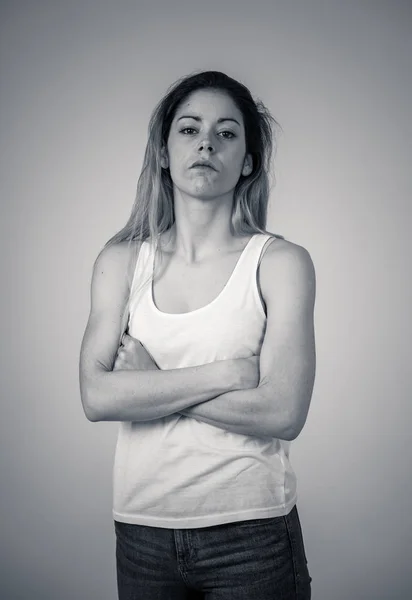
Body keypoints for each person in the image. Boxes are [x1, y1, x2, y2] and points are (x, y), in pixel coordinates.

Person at [79, 70, 316, 599]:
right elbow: (96, 397)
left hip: (252, 532)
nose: (207, 142)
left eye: (227, 133)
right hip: (142, 531)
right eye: (189, 129)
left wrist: (152, 386)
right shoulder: (121, 264)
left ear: (248, 160)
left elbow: (283, 413)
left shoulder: (280, 263)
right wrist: (226, 375)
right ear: (163, 152)